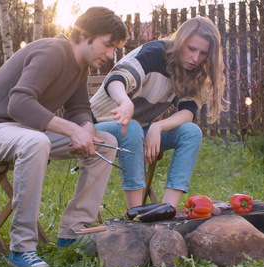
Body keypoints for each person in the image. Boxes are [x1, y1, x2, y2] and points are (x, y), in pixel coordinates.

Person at [0, 7, 127, 267]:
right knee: (35, 142)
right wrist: (72, 130)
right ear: (84, 35)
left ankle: (73, 230)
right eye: (107, 45)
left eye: (114, 49)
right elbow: (18, 103)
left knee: (105, 141)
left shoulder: (80, 67)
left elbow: (78, 110)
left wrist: (86, 128)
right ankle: (22, 248)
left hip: (27, 129)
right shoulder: (54, 51)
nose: (110, 55)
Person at [91, 16, 226, 210]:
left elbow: (188, 112)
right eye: (191, 48)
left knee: (191, 132)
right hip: (98, 126)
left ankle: (166, 210)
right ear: (180, 42)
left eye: (203, 53)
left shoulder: (192, 71)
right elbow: (117, 79)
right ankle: (137, 213)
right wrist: (124, 102)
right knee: (133, 129)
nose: (195, 58)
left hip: (138, 130)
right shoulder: (154, 53)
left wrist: (158, 126)